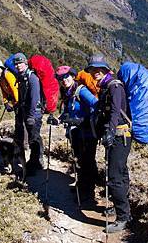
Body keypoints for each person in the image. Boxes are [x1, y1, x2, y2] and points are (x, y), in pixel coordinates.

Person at [87, 54, 132, 233]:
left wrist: (110, 132)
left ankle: (123, 217)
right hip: (118, 136)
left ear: (105, 70)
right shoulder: (106, 86)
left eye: (99, 69)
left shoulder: (114, 86)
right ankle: (122, 207)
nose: (95, 72)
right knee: (120, 173)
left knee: (114, 177)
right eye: (93, 70)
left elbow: (114, 111)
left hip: (120, 136)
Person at [56, 66, 99, 208]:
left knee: (88, 162)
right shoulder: (69, 92)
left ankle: (89, 194)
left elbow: (96, 106)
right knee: (80, 160)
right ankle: (82, 187)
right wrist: (58, 119)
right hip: (76, 133)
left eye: (66, 77)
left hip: (87, 132)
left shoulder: (81, 90)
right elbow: (68, 111)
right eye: (61, 78)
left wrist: (81, 121)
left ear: (73, 76)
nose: (64, 80)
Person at [13, 53, 45, 176]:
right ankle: (35, 161)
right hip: (27, 112)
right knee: (33, 136)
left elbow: (35, 98)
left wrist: (31, 115)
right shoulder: (21, 77)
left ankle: (36, 162)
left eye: (20, 63)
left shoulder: (32, 78)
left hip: (34, 114)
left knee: (34, 137)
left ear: (25, 63)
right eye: (16, 63)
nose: (18, 65)